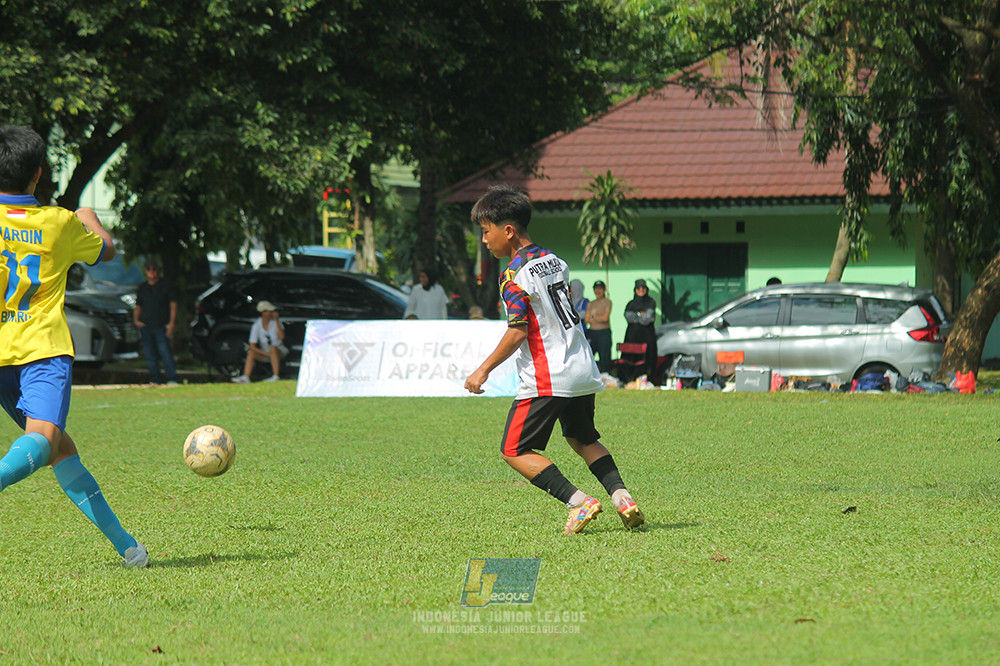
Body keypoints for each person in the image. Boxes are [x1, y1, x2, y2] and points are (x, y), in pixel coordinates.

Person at [0, 125, 148, 567]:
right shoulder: (59, 224)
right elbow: (105, 249)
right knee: (42, 443)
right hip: (40, 351)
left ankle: (129, 548)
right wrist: (89, 215)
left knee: (60, 448)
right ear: (38, 174)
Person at [464, 184, 644, 535]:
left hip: (549, 375)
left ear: (508, 230)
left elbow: (517, 332)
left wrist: (482, 370)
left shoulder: (513, 275)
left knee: (513, 450)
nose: (484, 241)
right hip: (580, 366)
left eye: (486, 232)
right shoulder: (553, 259)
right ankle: (622, 496)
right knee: (582, 438)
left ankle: (579, 502)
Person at [134, 258, 179, 386]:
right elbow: (138, 306)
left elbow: (173, 305)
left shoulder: (166, 285)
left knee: (165, 352)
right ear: (145, 271)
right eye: (149, 269)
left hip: (162, 325)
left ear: (158, 270)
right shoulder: (143, 288)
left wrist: (171, 323)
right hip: (146, 326)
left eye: (154, 268)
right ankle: (155, 379)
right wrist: (136, 320)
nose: (151, 271)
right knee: (150, 355)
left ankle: (172, 378)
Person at [231, 301, 286, 383]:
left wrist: (277, 320)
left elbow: (282, 337)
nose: (272, 313)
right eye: (269, 311)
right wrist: (267, 354)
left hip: (279, 350)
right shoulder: (256, 325)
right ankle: (246, 377)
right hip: (266, 351)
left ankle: (276, 376)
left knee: (273, 348)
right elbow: (252, 346)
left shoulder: (276, 322)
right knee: (251, 352)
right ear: (263, 313)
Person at [623, 279, 658, 382]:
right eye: (638, 288)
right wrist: (640, 314)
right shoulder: (631, 304)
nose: (641, 290)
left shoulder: (651, 302)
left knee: (648, 357)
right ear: (635, 290)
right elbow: (627, 316)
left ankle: (647, 378)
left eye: (643, 288)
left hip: (647, 336)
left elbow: (647, 318)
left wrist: (635, 318)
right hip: (632, 336)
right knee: (632, 357)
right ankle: (631, 378)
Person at [585, 280, 613, 374]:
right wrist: (596, 318)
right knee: (588, 356)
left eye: (600, 289)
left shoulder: (607, 302)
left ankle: (605, 375)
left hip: (603, 333)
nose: (598, 291)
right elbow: (586, 319)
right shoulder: (591, 304)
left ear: (604, 290)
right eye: (596, 288)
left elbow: (605, 318)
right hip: (592, 333)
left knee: (605, 358)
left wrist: (593, 317)